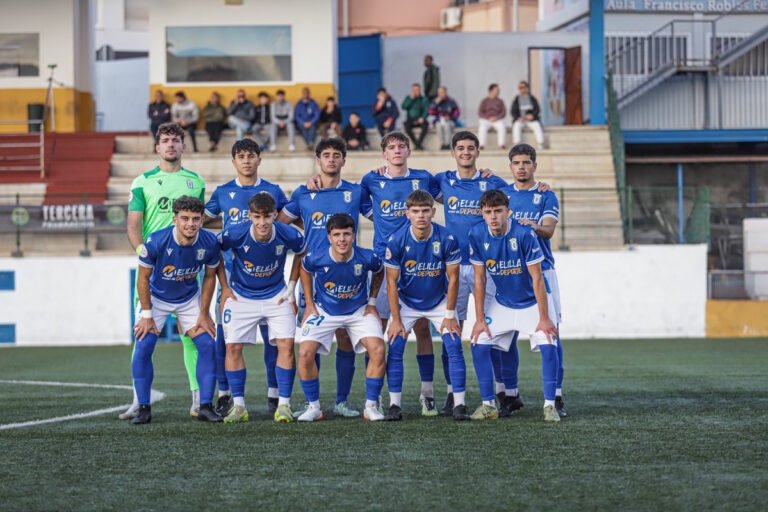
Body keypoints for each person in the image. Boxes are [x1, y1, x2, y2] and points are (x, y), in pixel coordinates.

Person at [278, 137, 373, 418]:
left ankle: (342, 401)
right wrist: (305, 226)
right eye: (326, 155)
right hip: (311, 276)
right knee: (312, 340)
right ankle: (313, 404)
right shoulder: (303, 193)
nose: (331, 159)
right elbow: (280, 223)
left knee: (345, 338)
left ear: (344, 160)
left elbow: (380, 215)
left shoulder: (355, 192)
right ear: (318, 160)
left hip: (347, 276)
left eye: (336, 155)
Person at [121, 122, 207, 421]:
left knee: (192, 337)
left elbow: (199, 222)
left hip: (186, 272)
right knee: (143, 335)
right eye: (166, 140)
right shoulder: (142, 182)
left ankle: (198, 400)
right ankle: (139, 402)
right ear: (157, 147)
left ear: (183, 146)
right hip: (153, 272)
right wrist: (142, 254)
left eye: (176, 140)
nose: (171, 145)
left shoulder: (195, 181)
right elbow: (133, 225)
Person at [204, 138, 289, 416]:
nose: (246, 161)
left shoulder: (273, 190)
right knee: (226, 338)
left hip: (267, 272)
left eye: (251, 156)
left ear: (259, 160)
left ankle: (274, 393)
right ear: (233, 162)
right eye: (240, 156)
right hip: (231, 275)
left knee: (273, 337)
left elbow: (290, 218)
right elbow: (201, 219)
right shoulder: (223, 192)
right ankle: (225, 394)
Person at [359, 131, 441, 415]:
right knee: (379, 330)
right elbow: (362, 204)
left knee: (422, 329)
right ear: (384, 153)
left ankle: (427, 394)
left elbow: (451, 193)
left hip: (417, 262)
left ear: (409, 151)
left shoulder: (423, 177)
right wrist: (380, 219)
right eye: (391, 147)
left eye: (401, 146)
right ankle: (376, 396)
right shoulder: (371, 180)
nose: (397, 151)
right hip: (384, 264)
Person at [432, 131, 508, 415]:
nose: (465, 152)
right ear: (453, 152)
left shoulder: (492, 182)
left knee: (494, 329)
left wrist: (541, 187)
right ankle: (453, 394)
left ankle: (503, 392)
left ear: (478, 151)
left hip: (486, 267)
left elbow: (516, 194)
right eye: (460, 148)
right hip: (454, 267)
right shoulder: (442, 180)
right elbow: (407, 185)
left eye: (471, 148)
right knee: (451, 331)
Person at [468, 189, 560, 422]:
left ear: (508, 211)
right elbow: (479, 279)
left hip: (533, 303)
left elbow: (538, 278)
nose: (493, 217)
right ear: (482, 213)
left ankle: (550, 406)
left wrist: (544, 317)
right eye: (488, 212)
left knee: (549, 343)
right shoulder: (476, 234)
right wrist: (479, 319)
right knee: (478, 341)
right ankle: (488, 405)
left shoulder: (524, 233)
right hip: (504, 302)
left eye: (498, 211)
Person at [217, 192, 307, 423]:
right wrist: (224, 287)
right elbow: (213, 251)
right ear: (249, 216)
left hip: (277, 296)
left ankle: (284, 405)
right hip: (241, 296)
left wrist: (292, 286)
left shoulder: (287, 233)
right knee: (232, 348)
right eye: (257, 217)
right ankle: (239, 406)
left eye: (267, 216)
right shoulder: (235, 233)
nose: (262, 222)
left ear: (275, 215)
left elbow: (302, 251)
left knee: (286, 346)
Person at [132, 196, 221, 424]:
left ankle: (205, 406)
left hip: (189, 299)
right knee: (143, 345)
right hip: (157, 299)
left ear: (202, 220)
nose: (190, 224)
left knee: (208, 346)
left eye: (195, 219)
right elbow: (142, 278)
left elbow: (210, 277)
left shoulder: (209, 242)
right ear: (175, 220)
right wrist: (147, 315)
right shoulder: (156, 241)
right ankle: (143, 408)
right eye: (185, 218)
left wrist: (204, 313)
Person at [383, 190, 467, 421]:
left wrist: (450, 314)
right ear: (407, 214)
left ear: (433, 212)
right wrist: (396, 319)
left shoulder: (447, 238)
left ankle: (459, 404)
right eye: (416, 211)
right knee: (396, 344)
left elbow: (454, 278)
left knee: (454, 343)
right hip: (407, 301)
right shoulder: (396, 240)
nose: (421, 215)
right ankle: (394, 405)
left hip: (439, 301)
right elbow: (391, 282)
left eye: (425, 210)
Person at [297, 213, 387, 422]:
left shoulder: (367, 257)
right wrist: (309, 303)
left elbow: (380, 270)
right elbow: (304, 269)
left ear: (353, 236)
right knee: (304, 353)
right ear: (329, 237)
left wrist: (372, 302)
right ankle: (314, 407)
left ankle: (371, 407)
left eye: (346, 234)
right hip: (325, 312)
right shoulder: (316, 257)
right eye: (336, 235)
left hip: (358, 311)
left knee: (378, 349)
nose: (342, 239)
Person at [501, 143, 565, 417]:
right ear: (510, 166)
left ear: (534, 166)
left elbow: (548, 231)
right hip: (508, 271)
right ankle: (509, 394)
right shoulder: (502, 194)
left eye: (526, 162)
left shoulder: (546, 195)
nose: (521, 167)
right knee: (505, 334)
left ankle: (557, 397)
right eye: (516, 162)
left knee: (551, 333)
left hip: (542, 269)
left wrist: (534, 227)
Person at [511, 81, 545, 148]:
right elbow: (513, 111)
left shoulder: (532, 98)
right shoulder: (516, 99)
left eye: (523, 87)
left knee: (537, 125)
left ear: (527, 88)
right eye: (520, 87)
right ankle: (516, 144)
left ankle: (540, 143)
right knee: (516, 125)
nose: (522, 89)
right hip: (521, 120)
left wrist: (533, 116)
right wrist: (518, 118)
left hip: (531, 120)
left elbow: (537, 110)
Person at [478, 84, 507, 150]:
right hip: (486, 119)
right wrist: (487, 118)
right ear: (491, 91)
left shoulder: (500, 101)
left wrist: (496, 117)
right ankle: (481, 145)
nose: (498, 91)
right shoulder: (484, 101)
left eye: (498, 90)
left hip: (497, 119)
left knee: (502, 126)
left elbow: (504, 112)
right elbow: (480, 112)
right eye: (496, 90)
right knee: (482, 127)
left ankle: (502, 144)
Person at [402, 83, 430, 150]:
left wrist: (423, 117)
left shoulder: (424, 99)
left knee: (425, 125)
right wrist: (411, 99)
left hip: (420, 119)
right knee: (407, 127)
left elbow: (427, 110)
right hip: (410, 119)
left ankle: (418, 143)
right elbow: (404, 107)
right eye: (414, 90)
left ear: (420, 90)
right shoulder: (408, 98)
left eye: (417, 90)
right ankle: (417, 144)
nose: (415, 91)